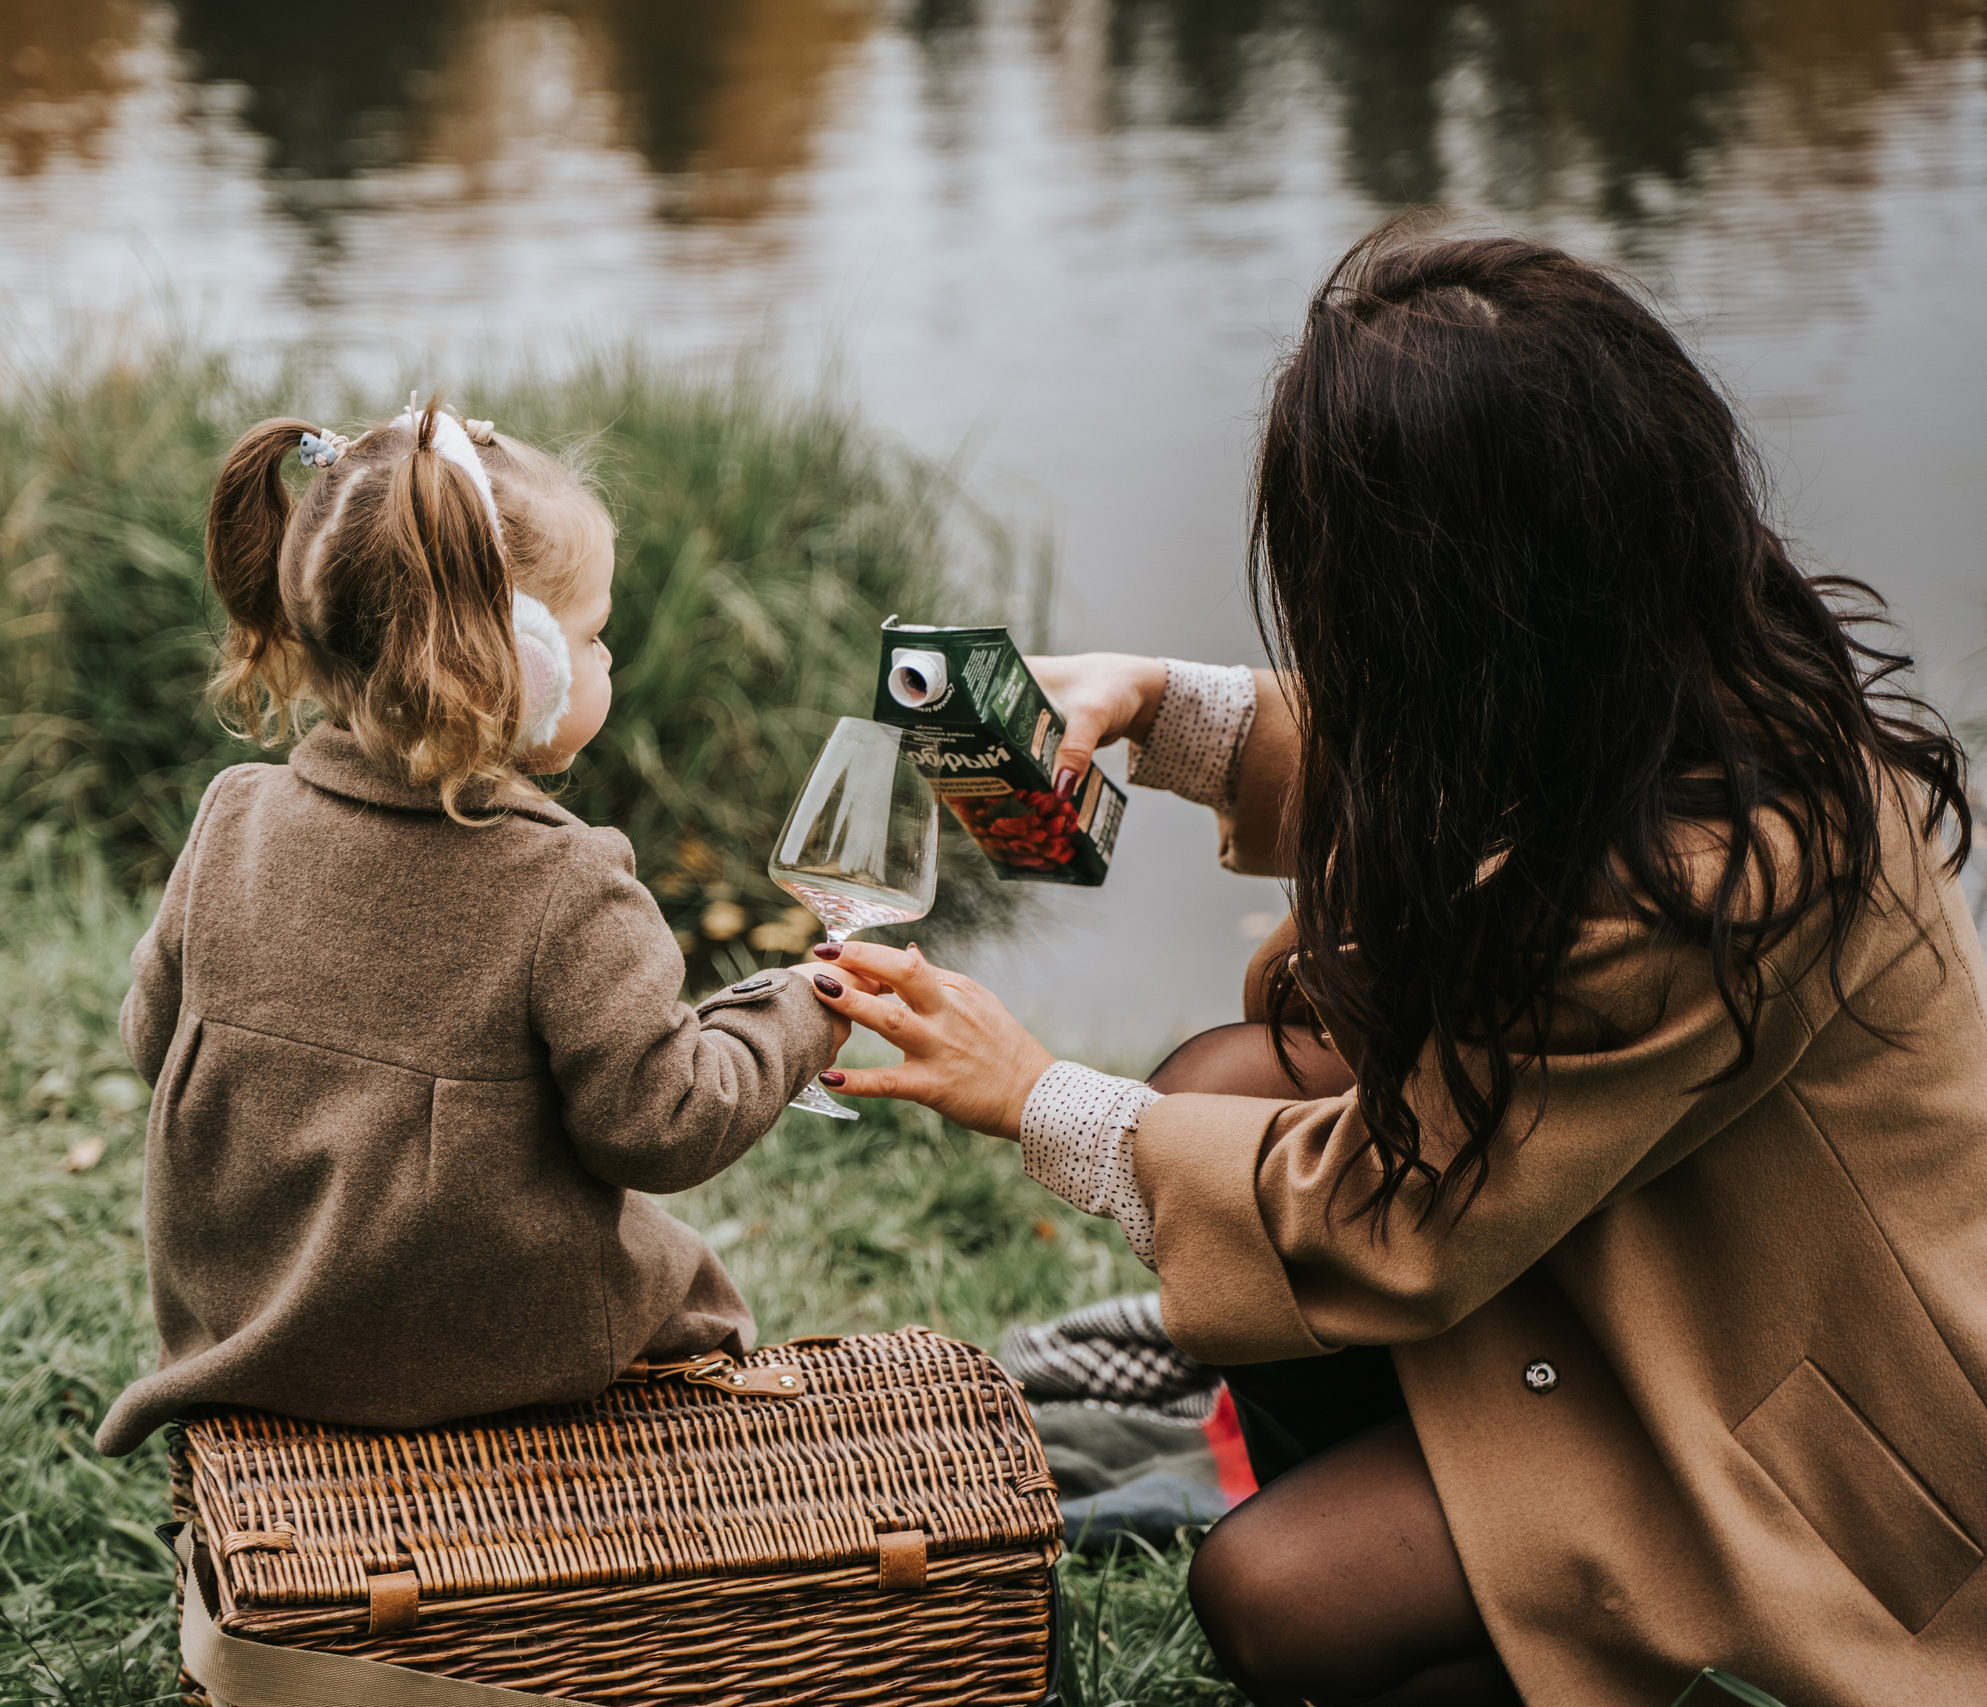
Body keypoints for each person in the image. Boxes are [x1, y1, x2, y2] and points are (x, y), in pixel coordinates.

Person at [804, 227, 1987, 1706]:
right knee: (1227, 1082)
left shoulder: (1708, 884)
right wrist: (1161, 706)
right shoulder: (1671, 651)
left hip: (1818, 1432)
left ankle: (1567, 1647)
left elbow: (1400, 1216)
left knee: (1275, 1593)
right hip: (1652, 1257)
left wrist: (1034, 1095)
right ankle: (1458, 1502)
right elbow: (1502, 771)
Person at [93, 401, 844, 1457]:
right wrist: (802, 1010)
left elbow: (150, 1040)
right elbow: (663, 1125)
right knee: (695, 1300)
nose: (609, 657)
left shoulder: (233, 818)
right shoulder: (567, 881)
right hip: (487, 1359)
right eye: (590, 636)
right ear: (512, 666)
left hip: (251, 1330)